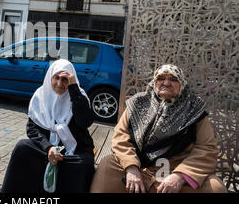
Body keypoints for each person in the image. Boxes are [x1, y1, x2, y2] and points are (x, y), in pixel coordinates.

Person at [90, 64, 227, 193]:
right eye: (161, 78)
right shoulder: (137, 103)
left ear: (182, 85)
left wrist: (180, 176)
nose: (166, 83)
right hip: (140, 167)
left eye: (173, 79)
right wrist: (131, 167)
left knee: (215, 187)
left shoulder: (194, 110)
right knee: (108, 165)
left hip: (174, 170)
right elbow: (120, 137)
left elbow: (207, 148)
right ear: (154, 82)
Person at [1, 59, 95, 193]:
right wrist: (48, 147)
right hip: (46, 149)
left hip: (74, 151)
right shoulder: (40, 95)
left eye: (65, 79)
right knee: (22, 147)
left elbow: (84, 122)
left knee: (83, 164)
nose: (59, 83)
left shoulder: (79, 96)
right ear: (50, 77)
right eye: (56, 78)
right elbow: (32, 129)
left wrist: (74, 89)